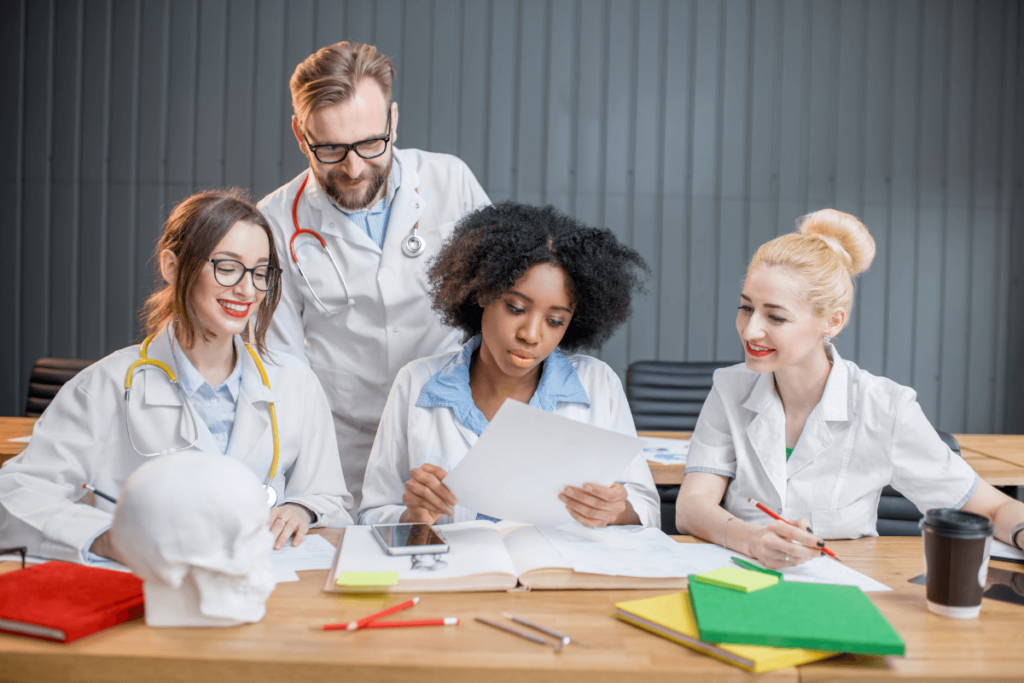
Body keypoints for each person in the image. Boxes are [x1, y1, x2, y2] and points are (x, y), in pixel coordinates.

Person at [0, 189, 353, 564]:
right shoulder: (102, 387)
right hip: (146, 594)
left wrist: (301, 509)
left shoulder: (294, 382)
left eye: (261, 271)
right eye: (227, 267)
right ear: (172, 266)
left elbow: (329, 497)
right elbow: (16, 497)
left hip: (262, 591)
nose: (248, 289)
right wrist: (108, 538)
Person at [675, 209, 1024, 567]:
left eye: (775, 317)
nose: (750, 331)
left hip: (842, 585)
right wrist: (751, 539)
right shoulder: (730, 386)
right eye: (746, 308)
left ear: (833, 321)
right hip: (737, 575)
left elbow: (993, 508)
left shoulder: (886, 407)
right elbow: (691, 507)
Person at [258, 42, 490, 512]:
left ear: (394, 121)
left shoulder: (451, 181)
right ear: (300, 135)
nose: (354, 167)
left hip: (450, 432)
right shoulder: (275, 221)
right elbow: (280, 364)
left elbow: (501, 297)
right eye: (330, 149)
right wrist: (293, 489)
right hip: (342, 449)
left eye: (370, 143)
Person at [359, 202, 660, 528]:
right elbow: (372, 515)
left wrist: (615, 511)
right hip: (454, 577)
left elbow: (646, 510)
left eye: (555, 320)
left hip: (557, 577)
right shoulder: (415, 381)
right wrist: (414, 515)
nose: (531, 336)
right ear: (482, 292)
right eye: (516, 308)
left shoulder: (598, 384)